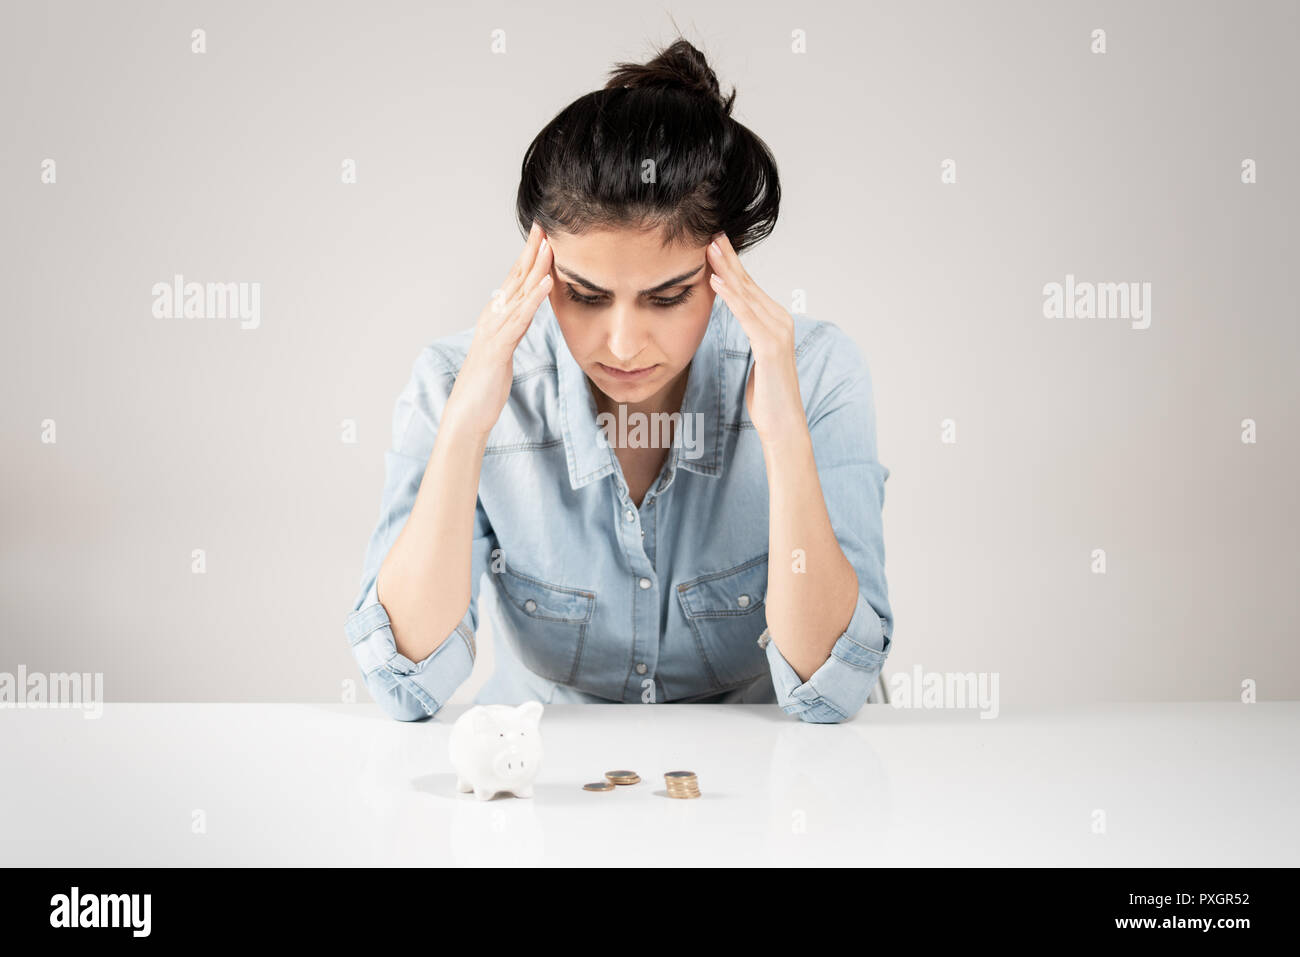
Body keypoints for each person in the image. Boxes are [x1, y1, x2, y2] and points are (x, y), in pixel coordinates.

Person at [344, 38, 893, 723]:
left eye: (667, 297)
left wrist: (783, 435)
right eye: (584, 294)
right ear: (539, 268)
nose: (625, 344)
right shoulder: (453, 380)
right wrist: (465, 425)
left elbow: (831, 691)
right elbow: (403, 682)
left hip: (760, 801)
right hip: (549, 792)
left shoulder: (816, 376)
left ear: (725, 271)